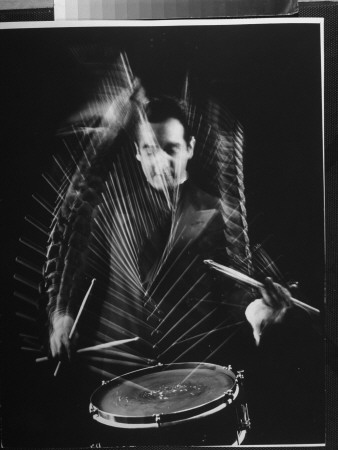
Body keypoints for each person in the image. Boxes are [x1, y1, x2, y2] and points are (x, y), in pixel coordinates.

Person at [43, 95, 323, 444]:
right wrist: (62, 316)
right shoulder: (113, 211)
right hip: (122, 390)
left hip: (195, 391)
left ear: (189, 147)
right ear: (136, 152)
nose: (158, 159)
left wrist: (261, 311)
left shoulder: (217, 215)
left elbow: (237, 294)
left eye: (170, 148)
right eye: (148, 149)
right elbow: (78, 267)